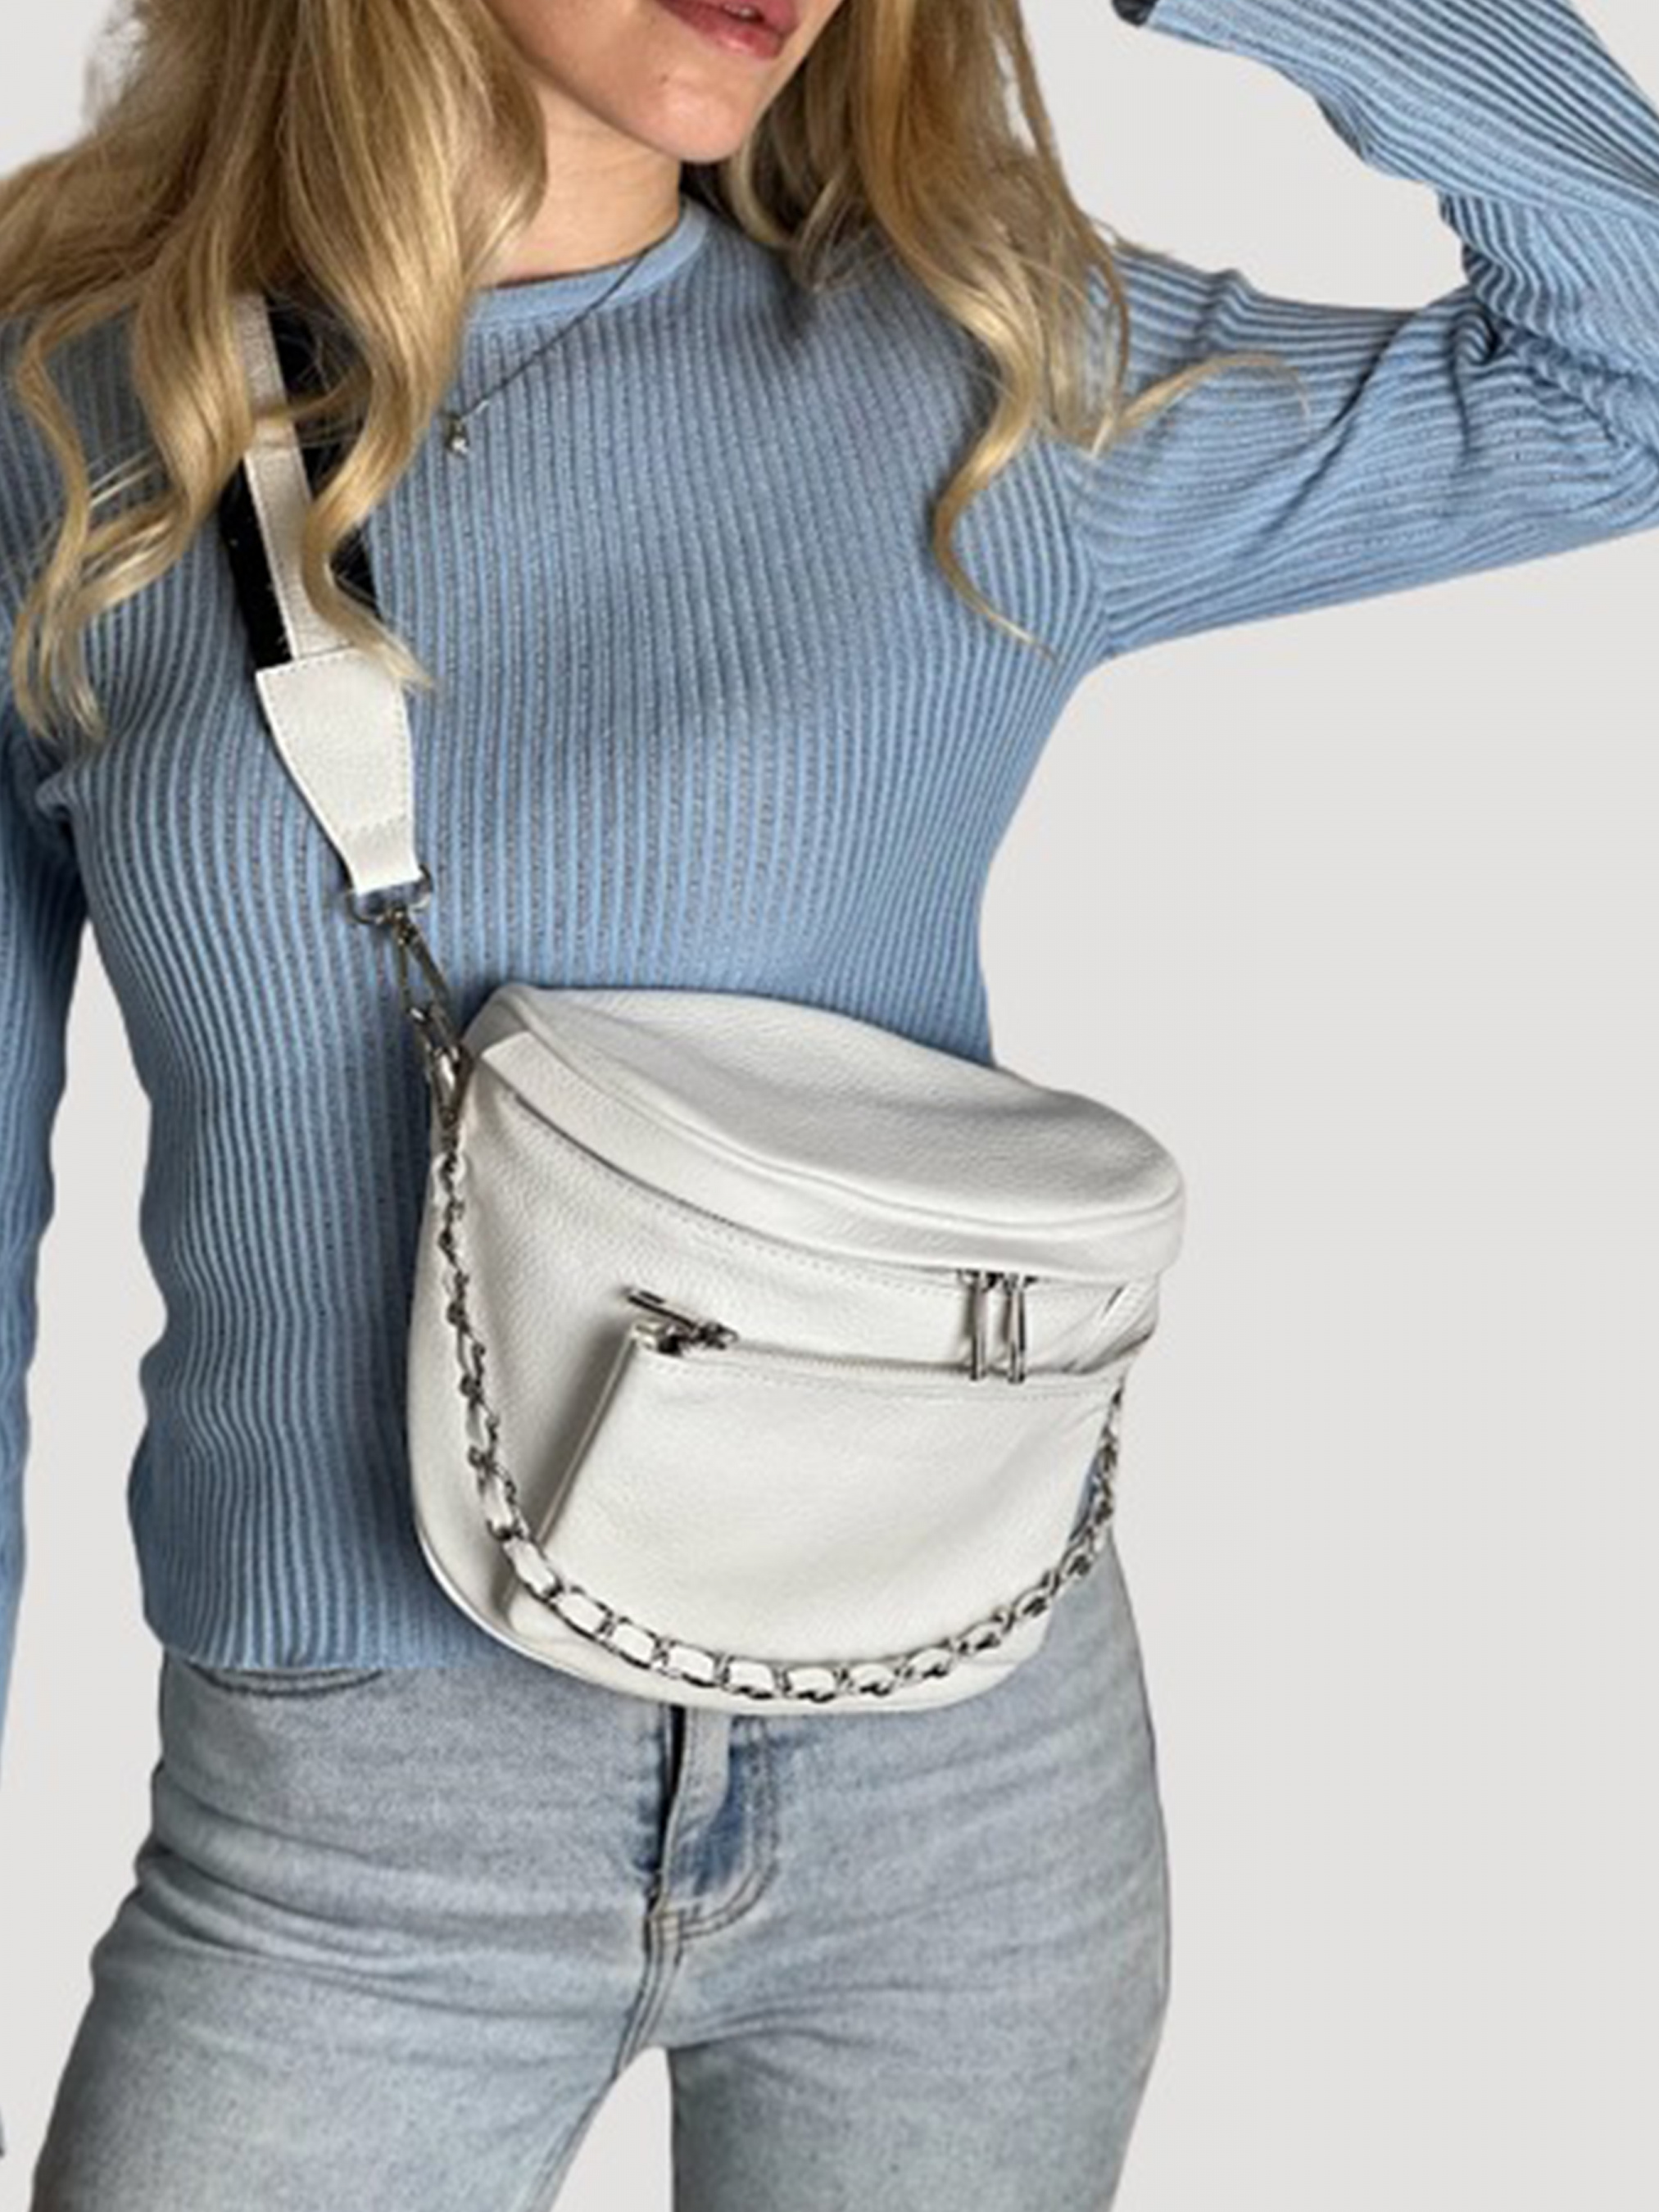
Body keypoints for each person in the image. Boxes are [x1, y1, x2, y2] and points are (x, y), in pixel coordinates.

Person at [3, 0, 1657, 2203]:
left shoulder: (989, 372)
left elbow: (1630, 368)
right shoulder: (62, 427)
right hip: (353, 1838)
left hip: (962, 1791)